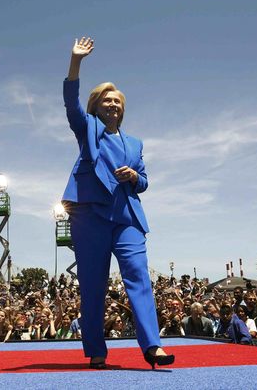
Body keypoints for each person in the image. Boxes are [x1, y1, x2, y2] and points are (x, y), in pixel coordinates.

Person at [61, 37, 173, 370]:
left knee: (139, 276)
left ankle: (152, 347)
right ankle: (97, 351)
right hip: (90, 215)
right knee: (93, 284)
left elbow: (145, 180)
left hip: (127, 217)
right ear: (97, 106)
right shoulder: (87, 128)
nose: (113, 105)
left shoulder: (136, 143)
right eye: (107, 101)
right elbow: (70, 102)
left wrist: (134, 178)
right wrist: (75, 61)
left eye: (118, 102)